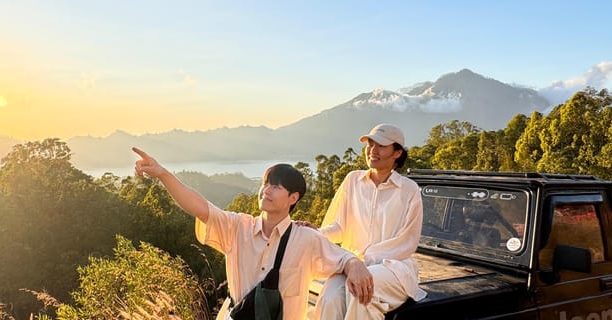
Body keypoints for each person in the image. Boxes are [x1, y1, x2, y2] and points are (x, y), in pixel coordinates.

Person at [131, 147, 373, 320]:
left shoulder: (306, 238)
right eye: (265, 184)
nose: (266, 191)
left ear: (293, 198)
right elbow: (198, 205)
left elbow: (343, 258)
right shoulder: (238, 227)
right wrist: (163, 174)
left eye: (276, 186)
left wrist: (355, 264)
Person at [307, 124, 427, 319]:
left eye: (381, 145)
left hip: (393, 268)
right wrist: (316, 233)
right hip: (353, 265)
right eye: (370, 144)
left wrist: (364, 263)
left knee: (361, 290)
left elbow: (408, 242)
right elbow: (339, 228)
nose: (372, 150)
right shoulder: (352, 180)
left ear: (397, 152)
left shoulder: (409, 189)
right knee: (329, 298)